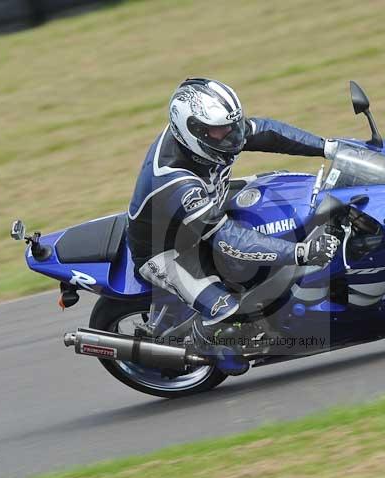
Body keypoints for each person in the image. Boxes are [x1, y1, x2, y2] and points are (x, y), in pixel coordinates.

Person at [127, 78, 339, 375]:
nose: (232, 135)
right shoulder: (175, 181)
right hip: (167, 248)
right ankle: (203, 339)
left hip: (208, 207)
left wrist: (328, 147)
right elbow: (227, 240)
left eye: (233, 125)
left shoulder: (208, 137)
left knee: (286, 186)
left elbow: (266, 132)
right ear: (193, 131)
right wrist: (301, 252)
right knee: (225, 312)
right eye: (220, 130)